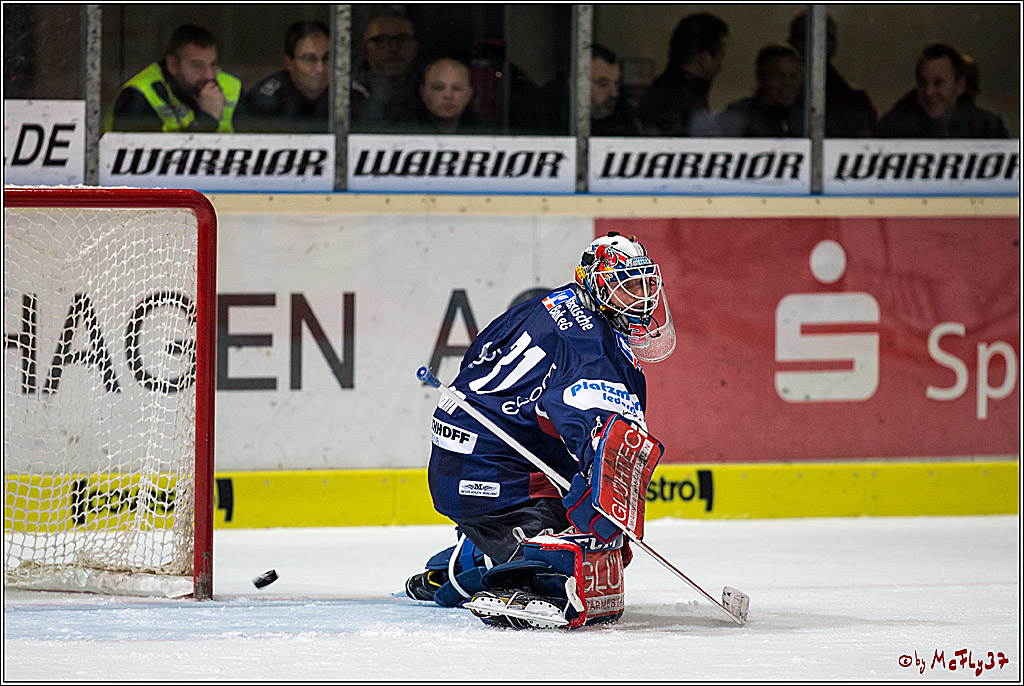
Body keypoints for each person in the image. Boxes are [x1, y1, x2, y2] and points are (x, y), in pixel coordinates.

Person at [405, 232, 676, 629]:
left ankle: (467, 560)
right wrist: (605, 505)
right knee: (574, 558)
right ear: (600, 285)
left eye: (645, 282)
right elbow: (603, 434)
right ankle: (500, 570)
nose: (643, 296)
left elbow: (479, 356)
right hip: (488, 471)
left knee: (589, 533)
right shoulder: (593, 346)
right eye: (627, 285)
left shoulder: (554, 301)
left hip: (469, 451)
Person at [105, 24, 241, 133]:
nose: (210, 75)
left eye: (213, 65)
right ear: (173, 65)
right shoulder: (139, 94)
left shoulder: (231, 87)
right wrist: (207, 119)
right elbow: (143, 161)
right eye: (197, 66)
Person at [875, 43, 1009, 138]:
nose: (929, 91)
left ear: (960, 86)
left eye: (938, 83)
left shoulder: (987, 129)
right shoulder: (894, 129)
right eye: (923, 82)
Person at [637, 12, 729, 137]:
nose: (720, 66)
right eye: (720, 57)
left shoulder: (659, 91)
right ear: (705, 59)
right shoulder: (685, 100)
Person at [787, 11, 877, 138]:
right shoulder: (777, 96)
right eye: (808, 36)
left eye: (827, 38)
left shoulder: (854, 101)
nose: (818, 44)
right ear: (792, 42)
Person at [233, 21, 330, 134]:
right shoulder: (264, 102)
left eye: (327, 58)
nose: (320, 68)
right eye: (309, 59)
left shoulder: (349, 96)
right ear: (289, 62)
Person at [526, 44, 641, 136]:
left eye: (616, 84)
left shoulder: (623, 115)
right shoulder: (540, 113)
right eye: (603, 84)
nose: (614, 93)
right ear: (574, 84)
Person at [350, 12, 422, 131]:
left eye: (403, 39)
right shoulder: (345, 93)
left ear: (415, 48)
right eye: (383, 40)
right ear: (366, 50)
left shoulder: (428, 90)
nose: (394, 48)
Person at [716, 43, 804, 137]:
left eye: (794, 75)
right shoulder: (737, 117)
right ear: (761, 77)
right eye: (778, 75)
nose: (787, 82)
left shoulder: (805, 118)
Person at [413, 58, 486, 134]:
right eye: (439, 87)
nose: (448, 95)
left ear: (469, 94)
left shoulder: (485, 132)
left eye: (456, 88)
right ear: (423, 92)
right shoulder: (403, 126)